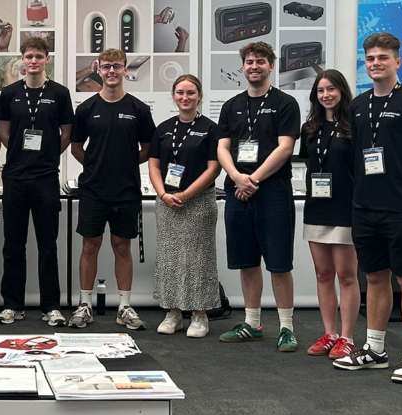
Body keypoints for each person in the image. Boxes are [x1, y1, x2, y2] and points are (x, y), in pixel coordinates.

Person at [333, 32, 402, 383]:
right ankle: (375, 349)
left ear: (397, 61)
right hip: (365, 208)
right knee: (374, 277)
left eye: (382, 58)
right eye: (370, 58)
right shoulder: (357, 106)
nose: (375, 63)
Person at [215, 42, 300, 352]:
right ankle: (252, 323)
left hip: (273, 191)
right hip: (238, 191)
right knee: (246, 260)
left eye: (260, 61)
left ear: (271, 66)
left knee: (279, 263)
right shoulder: (231, 105)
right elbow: (223, 148)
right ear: (242, 67)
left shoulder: (286, 103)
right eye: (249, 61)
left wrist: (254, 178)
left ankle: (287, 328)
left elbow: (285, 147)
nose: (254, 66)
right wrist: (237, 177)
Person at [67, 48, 155, 329]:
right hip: (93, 189)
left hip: (126, 189)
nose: (111, 72)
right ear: (98, 69)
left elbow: (148, 148)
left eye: (117, 66)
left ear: (125, 69)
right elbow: (77, 148)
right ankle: (84, 305)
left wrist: (126, 164)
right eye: (106, 67)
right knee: (90, 245)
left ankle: (125, 307)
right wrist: (95, 165)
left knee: (121, 246)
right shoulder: (86, 109)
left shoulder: (139, 109)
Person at [0, 37, 73, 326]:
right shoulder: (9, 93)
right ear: (22, 59)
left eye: (39, 56)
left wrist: (49, 153)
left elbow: (66, 132)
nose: (33, 61)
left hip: (45, 177)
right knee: (13, 244)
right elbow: (4, 131)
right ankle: (12, 305)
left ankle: (50, 306)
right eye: (29, 56)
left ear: (47, 59)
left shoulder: (60, 94)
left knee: (47, 244)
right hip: (15, 176)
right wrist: (17, 150)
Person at [147, 74, 222, 338]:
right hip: (167, 202)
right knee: (170, 257)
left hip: (198, 201)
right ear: (173, 96)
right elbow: (154, 164)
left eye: (190, 93)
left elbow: (214, 168)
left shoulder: (211, 129)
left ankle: (199, 314)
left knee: (198, 258)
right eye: (180, 93)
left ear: (199, 96)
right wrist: (162, 193)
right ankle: (173, 312)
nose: (185, 98)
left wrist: (188, 194)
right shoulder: (164, 128)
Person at [297, 70, 358, 359]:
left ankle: (347, 337)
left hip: (345, 208)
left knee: (346, 275)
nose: (326, 95)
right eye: (320, 91)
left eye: (331, 89)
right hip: (317, 207)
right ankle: (329, 333)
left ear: (342, 91)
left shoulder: (355, 127)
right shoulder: (309, 128)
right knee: (323, 274)